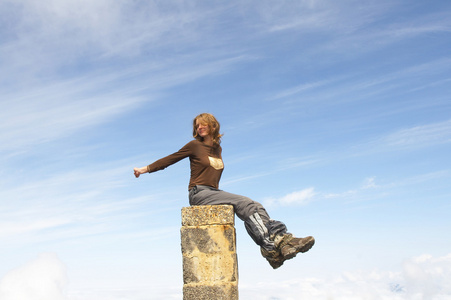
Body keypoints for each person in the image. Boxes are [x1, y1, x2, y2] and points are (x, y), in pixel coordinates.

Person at [133, 113, 314, 269]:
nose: (200, 127)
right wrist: (144, 169)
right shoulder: (194, 145)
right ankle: (278, 243)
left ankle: (273, 253)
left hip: (212, 192)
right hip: (199, 193)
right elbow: (170, 159)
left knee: (254, 205)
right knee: (245, 203)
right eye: (197, 125)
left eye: (203, 123)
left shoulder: (218, 149)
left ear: (212, 126)